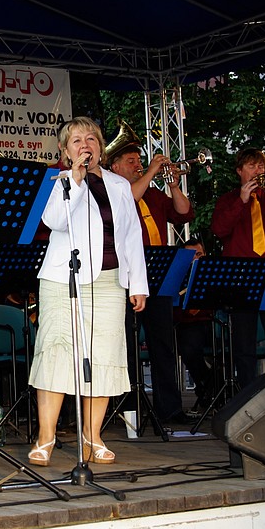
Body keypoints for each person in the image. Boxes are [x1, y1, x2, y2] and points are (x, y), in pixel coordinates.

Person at [27, 116, 148, 467]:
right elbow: (54, 221)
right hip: (62, 280)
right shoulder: (58, 181)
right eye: (77, 140)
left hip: (110, 282)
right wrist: (76, 180)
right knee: (56, 354)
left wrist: (138, 283)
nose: (85, 145)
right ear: (65, 151)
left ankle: (91, 437)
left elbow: (132, 236)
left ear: (101, 147)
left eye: (91, 139)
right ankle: (46, 436)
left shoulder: (119, 185)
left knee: (104, 357)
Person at [109, 142, 196, 425]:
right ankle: (129, 410)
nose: (138, 165)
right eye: (131, 161)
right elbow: (128, 200)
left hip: (157, 276)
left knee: (163, 345)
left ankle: (169, 408)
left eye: (139, 160)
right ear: (115, 167)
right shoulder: (114, 191)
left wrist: (174, 186)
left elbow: (184, 213)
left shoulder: (154, 195)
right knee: (126, 346)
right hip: (126, 277)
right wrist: (151, 172)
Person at [209, 147, 265, 389]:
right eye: (252, 166)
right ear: (239, 171)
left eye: (261, 166)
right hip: (241, 275)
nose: (258, 171)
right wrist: (241, 201)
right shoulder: (228, 200)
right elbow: (219, 230)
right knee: (244, 342)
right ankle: (247, 392)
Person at [172, 237, 216, 407]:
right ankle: (208, 385)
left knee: (237, 346)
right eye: (191, 256)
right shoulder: (177, 276)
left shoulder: (213, 273)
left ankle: (213, 386)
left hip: (214, 323)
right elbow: (174, 311)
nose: (195, 259)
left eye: (199, 254)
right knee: (189, 346)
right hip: (189, 325)